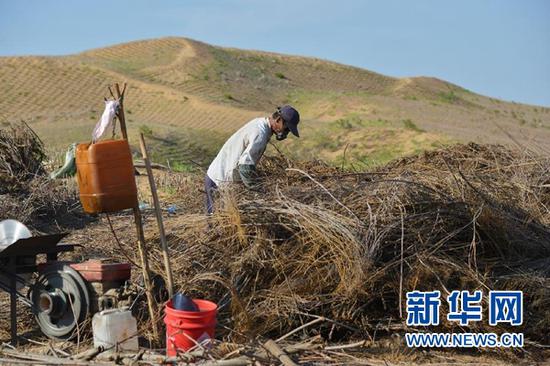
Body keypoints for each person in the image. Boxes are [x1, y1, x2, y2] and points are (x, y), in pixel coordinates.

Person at [205, 105, 300, 214]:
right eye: (287, 128)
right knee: (217, 223)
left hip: (217, 175)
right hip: (219, 181)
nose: (286, 132)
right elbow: (245, 166)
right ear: (278, 120)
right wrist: (258, 191)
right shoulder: (261, 134)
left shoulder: (260, 123)